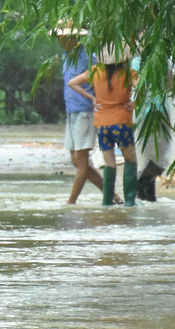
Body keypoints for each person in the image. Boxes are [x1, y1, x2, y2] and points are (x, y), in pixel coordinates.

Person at [69, 46, 141, 207]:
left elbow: (72, 83)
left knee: (109, 163)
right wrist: (134, 103)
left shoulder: (95, 71)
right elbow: (143, 87)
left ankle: (107, 203)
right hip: (122, 121)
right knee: (130, 159)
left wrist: (92, 98)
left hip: (102, 123)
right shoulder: (128, 73)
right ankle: (130, 202)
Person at [55, 22, 104, 204]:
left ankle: (71, 202)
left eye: (63, 37)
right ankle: (111, 195)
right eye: (59, 38)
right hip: (72, 112)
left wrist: (96, 100)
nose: (60, 41)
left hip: (84, 111)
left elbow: (99, 77)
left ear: (73, 37)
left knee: (81, 161)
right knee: (76, 160)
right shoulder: (66, 56)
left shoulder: (87, 57)